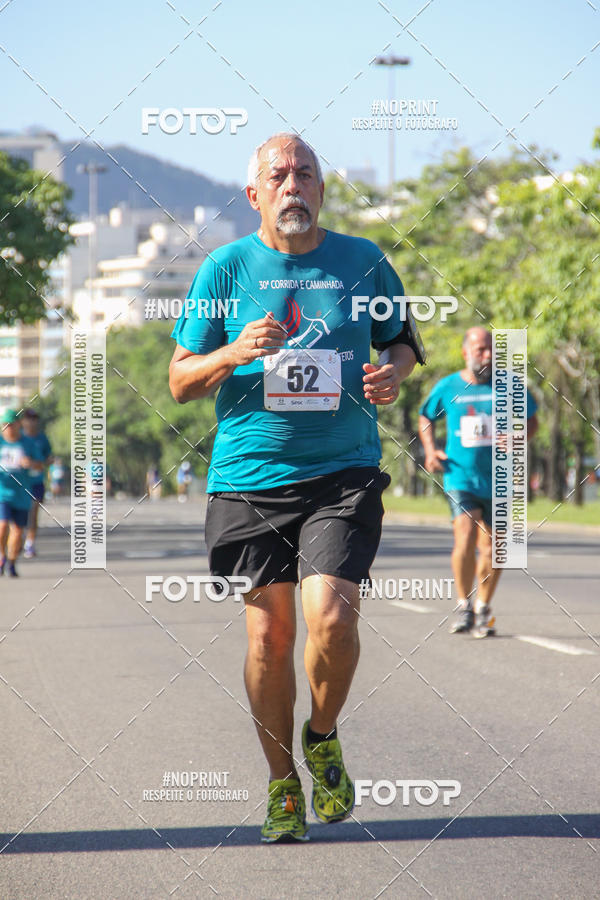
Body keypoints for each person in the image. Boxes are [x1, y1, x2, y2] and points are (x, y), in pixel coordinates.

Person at [169, 133, 425, 842]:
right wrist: (232, 351)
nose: (293, 185)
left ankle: (322, 733)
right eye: (278, 175)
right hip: (249, 479)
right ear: (254, 194)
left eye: (305, 174)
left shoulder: (363, 261)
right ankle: (283, 783)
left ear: (321, 189)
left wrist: (393, 374)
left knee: (333, 619)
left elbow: (401, 341)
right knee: (269, 636)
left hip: (342, 471)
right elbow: (181, 381)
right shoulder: (224, 269)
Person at [418, 327, 538, 638]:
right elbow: (426, 416)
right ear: (465, 353)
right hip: (460, 475)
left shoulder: (510, 385)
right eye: (480, 349)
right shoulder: (449, 386)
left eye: (491, 349)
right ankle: (464, 605)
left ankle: (483, 607)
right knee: (465, 535)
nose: (487, 355)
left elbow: (531, 420)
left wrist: (518, 437)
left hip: (500, 478)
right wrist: (430, 451)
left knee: (495, 548)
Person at [0, 409, 45, 577]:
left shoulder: (28, 444)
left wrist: (31, 463)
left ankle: (11, 561)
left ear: (18, 425)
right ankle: (2, 557)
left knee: (18, 531)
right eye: (5, 425)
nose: (8, 429)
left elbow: (41, 465)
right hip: (2, 493)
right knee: (2, 526)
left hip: (22, 494)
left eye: (11, 425)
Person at [20, 408, 52, 558]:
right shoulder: (17, 438)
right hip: (19, 483)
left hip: (37, 482)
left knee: (33, 513)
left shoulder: (42, 438)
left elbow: (48, 457)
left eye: (34, 419)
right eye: (29, 419)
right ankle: (17, 539)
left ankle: (29, 544)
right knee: (19, 514)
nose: (32, 422)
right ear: (22, 421)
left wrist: (44, 463)